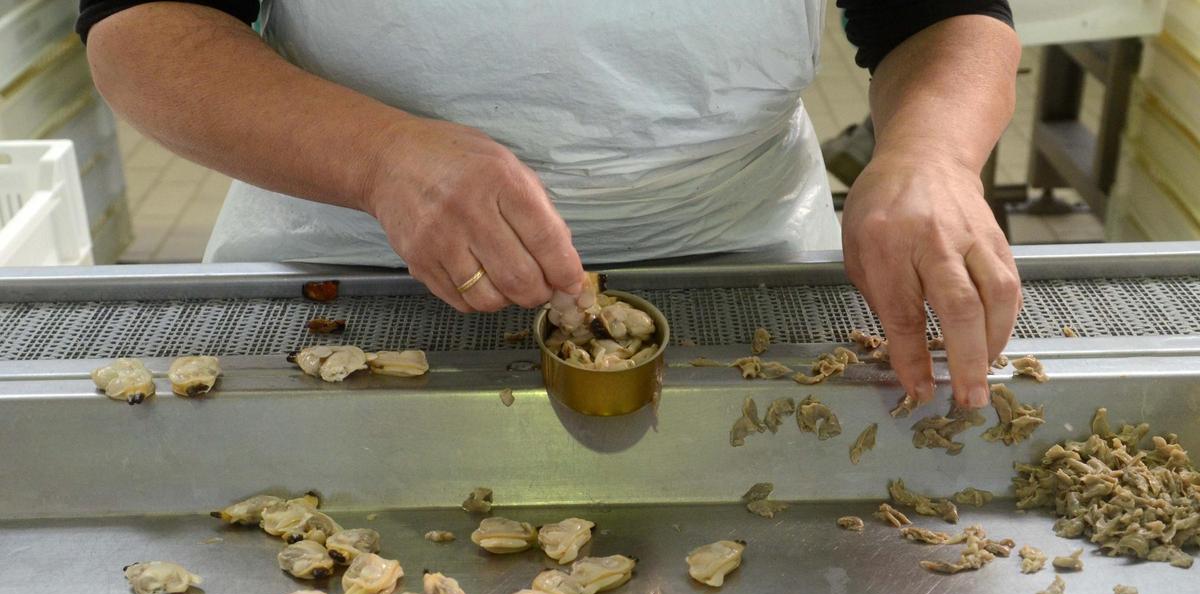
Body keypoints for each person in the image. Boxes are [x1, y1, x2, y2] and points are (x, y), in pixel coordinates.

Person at [78, 1, 1022, 410]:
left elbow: (937, 13)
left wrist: (932, 154)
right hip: (346, 259)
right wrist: (381, 159)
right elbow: (142, 29)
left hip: (741, 255)